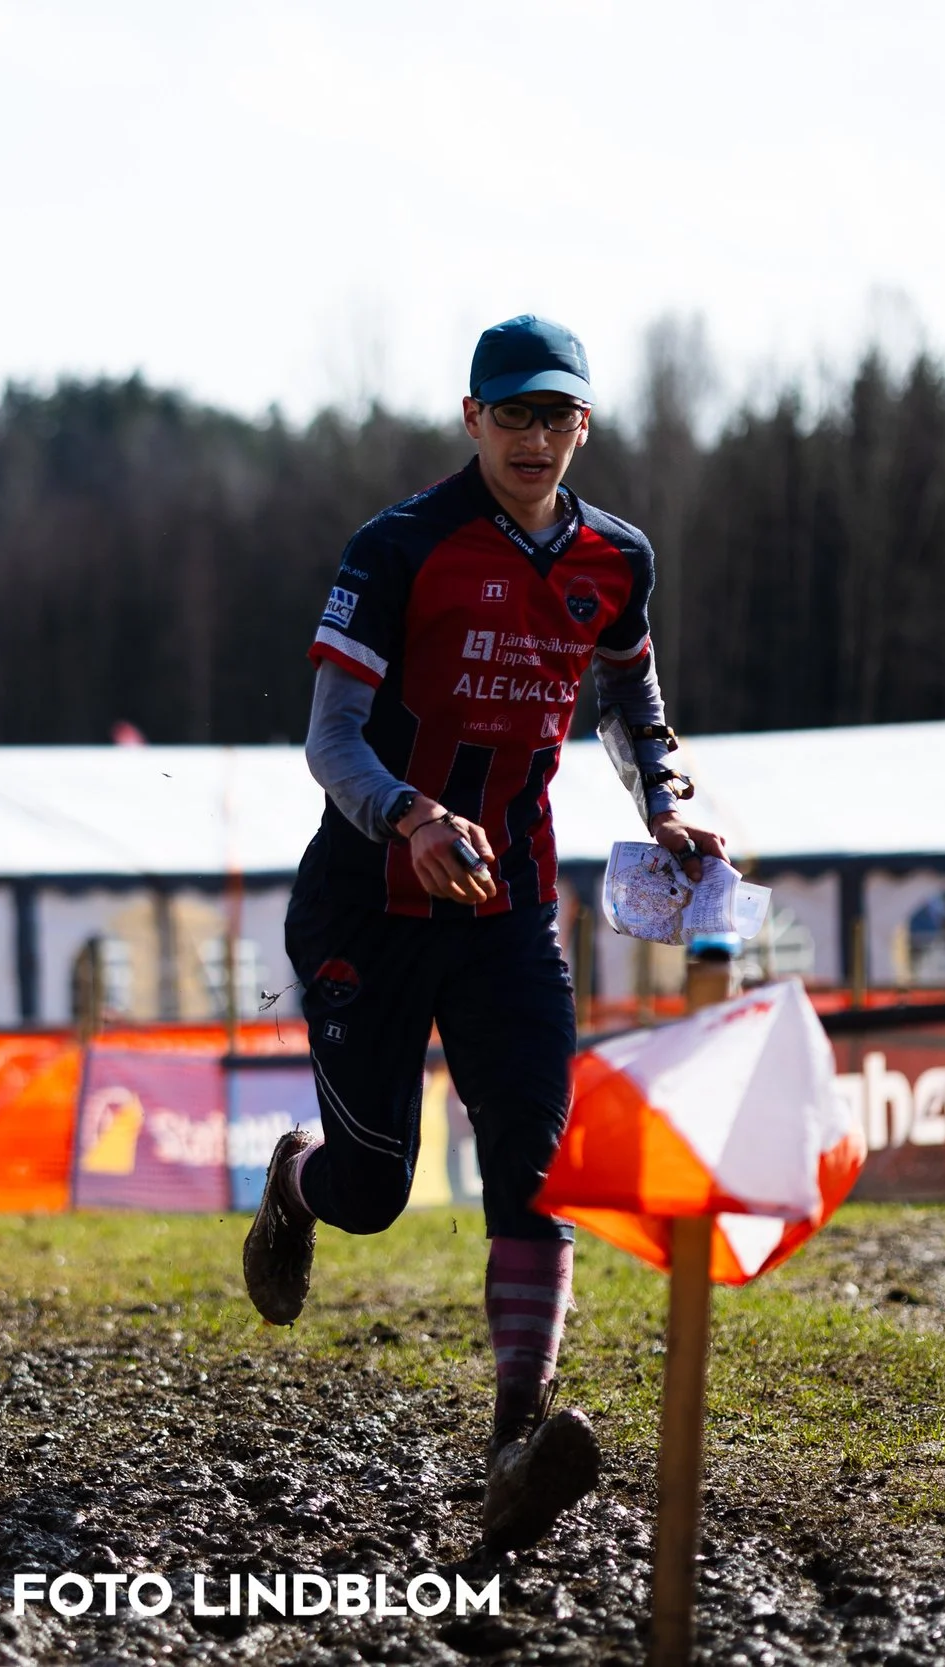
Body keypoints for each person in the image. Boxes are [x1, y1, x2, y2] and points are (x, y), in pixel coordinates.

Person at [242, 315, 725, 1553]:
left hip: (508, 905)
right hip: (368, 900)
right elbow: (330, 738)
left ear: (582, 425)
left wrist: (665, 800)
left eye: (551, 414)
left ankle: (517, 1440)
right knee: (374, 1190)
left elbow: (628, 692)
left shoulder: (617, 556)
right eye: (507, 414)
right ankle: (293, 1186)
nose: (530, 436)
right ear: (471, 420)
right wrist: (405, 814)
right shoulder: (400, 545)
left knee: (534, 1160)